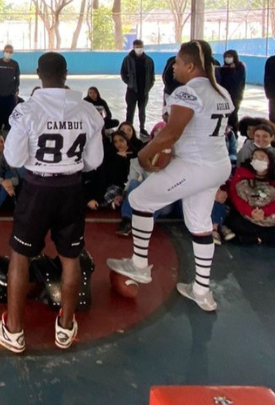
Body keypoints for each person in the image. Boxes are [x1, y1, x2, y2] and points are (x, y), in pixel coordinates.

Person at [0, 52, 104, 353]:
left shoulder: (27, 110)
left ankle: (14, 330)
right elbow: (95, 161)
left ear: (38, 73)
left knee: (20, 257)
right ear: (67, 73)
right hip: (72, 188)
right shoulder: (88, 112)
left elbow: (13, 158)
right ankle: (65, 327)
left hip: (37, 188)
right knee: (70, 258)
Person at [107, 40, 234, 313]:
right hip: (218, 164)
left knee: (140, 199)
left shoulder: (186, 93)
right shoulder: (222, 92)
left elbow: (170, 132)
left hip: (195, 164)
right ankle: (202, 290)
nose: (173, 66)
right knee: (200, 224)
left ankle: (139, 264)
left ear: (190, 65)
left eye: (177, 61)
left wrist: (144, 155)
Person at [226, 149, 275, 246]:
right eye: (254, 157)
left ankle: (257, 238)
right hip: (248, 217)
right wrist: (250, 212)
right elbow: (235, 196)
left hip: (271, 219)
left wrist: (264, 212)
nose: (258, 160)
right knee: (233, 221)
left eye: (262, 157)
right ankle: (265, 238)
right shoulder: (241, 174)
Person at [85, 131, 133, 211]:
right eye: (115, 142)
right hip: (104, 185)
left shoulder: (133, 155)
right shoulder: (110, 155)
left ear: (126, 141)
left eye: (121, 140)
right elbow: (108, 174)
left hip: (121, 187)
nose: (118, 144)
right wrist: (118, 158)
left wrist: (124, 159)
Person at [120, 39, 155, 136]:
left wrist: (149, 86)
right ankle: (128, 129)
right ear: (133, 47)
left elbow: (152, 76)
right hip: (132, 90)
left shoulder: (149, 61)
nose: (139, 49)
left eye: (140, 47)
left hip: (144, 91)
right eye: (137, 47)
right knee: (130, 110)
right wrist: (129, 83)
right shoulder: (127, 59)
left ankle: (142, 128)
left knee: (142, 111)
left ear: (143, 47)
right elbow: (123, 73)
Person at [0, 45, 20, 131]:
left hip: (10, 94)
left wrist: (15, 90)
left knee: (10, 114)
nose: (8, 53)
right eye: (7, 51)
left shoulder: (15, 64)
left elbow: (17, 78)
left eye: (10, 52)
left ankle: (8, 131)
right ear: (3, 51)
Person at [217, 50, 246, 134]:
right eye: (226, 56)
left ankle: (234, 132)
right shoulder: (224, 68)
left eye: (230, 56)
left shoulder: (240, 66)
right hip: (224, 94)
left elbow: (238, 81)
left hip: (236, 95)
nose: (227, 58)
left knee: (233, 114)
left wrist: (233, 71)